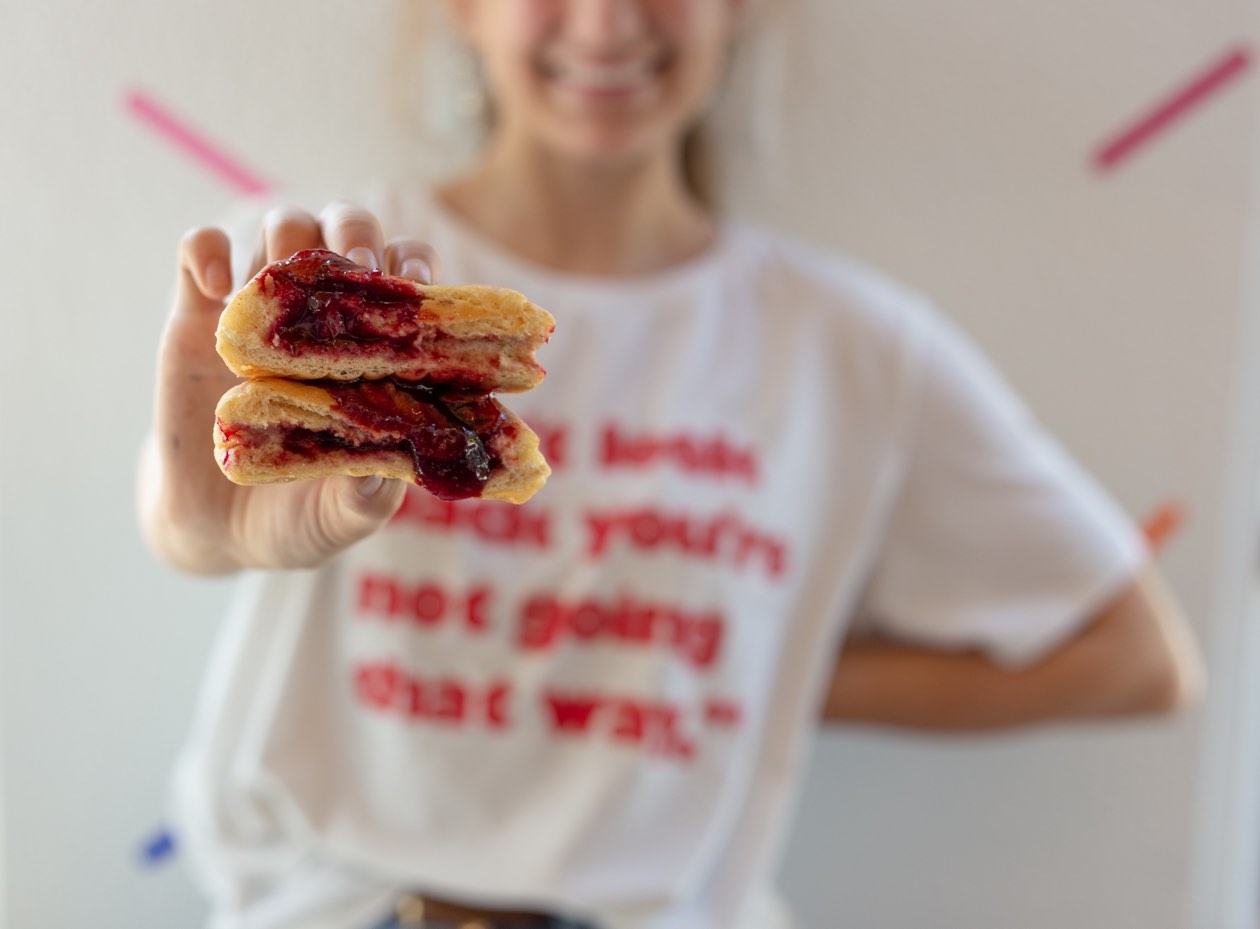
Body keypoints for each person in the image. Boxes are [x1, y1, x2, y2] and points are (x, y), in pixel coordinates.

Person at [138, 2, 1204, 928]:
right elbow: (182, 522)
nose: (605, 22)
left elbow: (1140, 657)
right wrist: (202, 529)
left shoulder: (852, 349)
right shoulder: (297, 273)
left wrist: (756, 663)